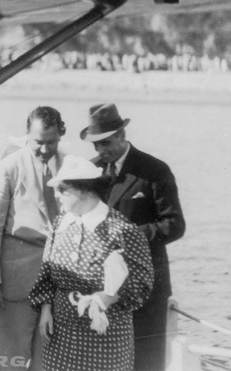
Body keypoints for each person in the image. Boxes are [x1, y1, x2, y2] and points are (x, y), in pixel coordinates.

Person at [80, 103, 186, 371]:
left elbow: (174, 224)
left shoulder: (154, 170)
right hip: (100, 283)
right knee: (100, 358)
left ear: (122, 135)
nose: (100, 151)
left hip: (146, 283)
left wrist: (130, 235)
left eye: (105, 143)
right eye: (95, 145)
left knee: (146, 360)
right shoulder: (89, 172)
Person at [29, 155, 153, 371]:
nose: (57, 196)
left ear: (85, 190)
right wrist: (46, 310)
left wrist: (104, 298)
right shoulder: (60, 223)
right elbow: (47, 271)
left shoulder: (122, 230)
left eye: (63, 190)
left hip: (105, 331)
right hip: (61, 332)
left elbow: (141, 283)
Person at [0, 106, 67, 371]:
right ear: (27, 135)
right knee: (10, 363)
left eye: (51, 142)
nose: (44, 148)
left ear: (61, 133)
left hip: (58, 284)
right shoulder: (7, 169)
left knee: (48, 363)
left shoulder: (70, 166)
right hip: (15, 286)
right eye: (38, 142)